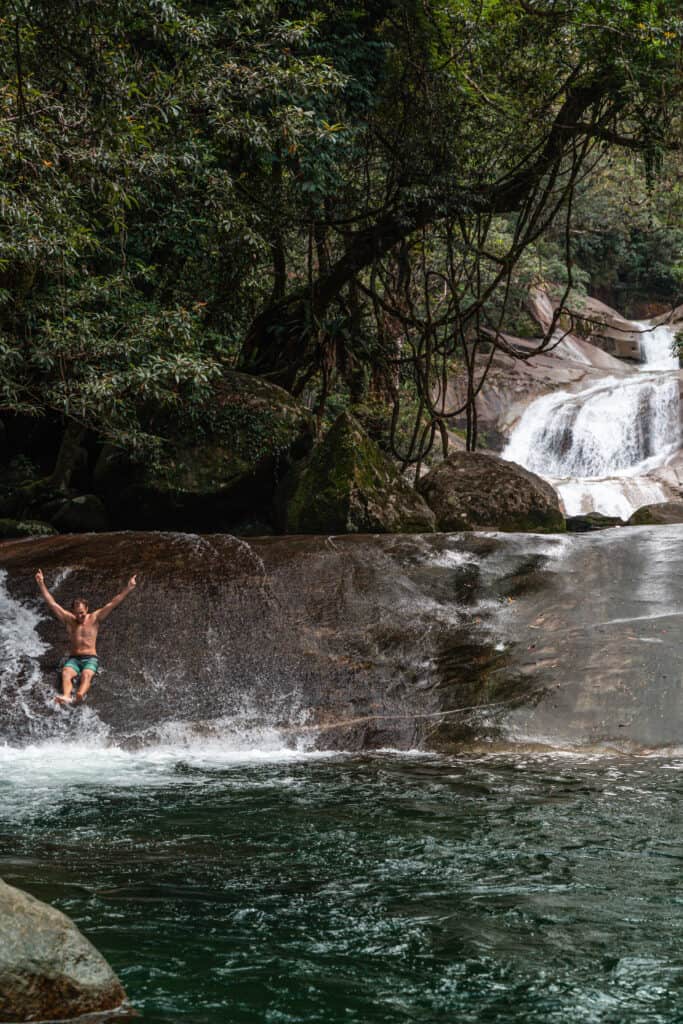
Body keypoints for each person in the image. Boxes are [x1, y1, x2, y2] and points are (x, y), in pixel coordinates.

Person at [35, 569, 138, 705]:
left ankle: (80, 695)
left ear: (87, 609)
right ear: (73, 612)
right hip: (74, 659)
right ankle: (66, 696)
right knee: (66, 672)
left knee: (86, 675)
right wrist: (41, 583)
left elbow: (113, 603)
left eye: (82, 613)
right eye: (77, 613)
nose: (80, 616)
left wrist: (128, 588)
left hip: (90, 658)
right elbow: (52, 603)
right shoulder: (69, 619)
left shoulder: (95, 618)